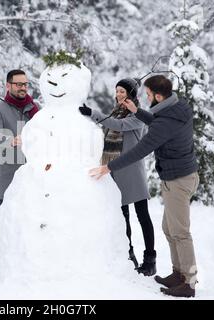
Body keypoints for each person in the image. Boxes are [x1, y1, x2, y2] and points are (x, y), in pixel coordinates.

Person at [89, 75, 199, 298]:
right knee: (170, 229)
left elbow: (142, 149)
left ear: (159, 96)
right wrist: (137, 110)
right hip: (176, 176)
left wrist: (109, 167)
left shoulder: (166, 121)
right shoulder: (176, 109)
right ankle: (179, 274)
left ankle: (189, 282)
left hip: (178, 179)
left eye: (148, 95)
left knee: (180, 232)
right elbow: (158, 123)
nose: (146, 98)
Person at [78, 78, 156, 276]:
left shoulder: (138, 115)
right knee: (123, 217)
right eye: (117, 91)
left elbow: (118, 126)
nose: (118, 95)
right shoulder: (116, 111)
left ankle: (150, 259)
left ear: (131, 94)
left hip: (131, 171)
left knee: (142, 216)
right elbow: (107, 128)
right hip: (113, 170)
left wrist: (92, 113)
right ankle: (128, 254)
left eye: (122, 91)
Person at [0, 69, 39, 277]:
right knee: (2, 217)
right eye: (18, 84)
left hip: (33, 173)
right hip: (9, 172)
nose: (23, 87)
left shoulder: (34, 109)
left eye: (25, 84)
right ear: (8, 86)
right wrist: (15, 138)